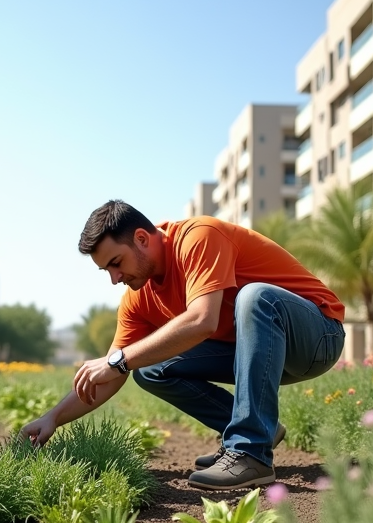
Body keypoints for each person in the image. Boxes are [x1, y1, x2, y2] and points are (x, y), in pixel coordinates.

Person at [21, 200, 345, 490]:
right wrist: (53, 417)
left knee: (255, 297)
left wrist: (118, 360)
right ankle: (261, 429)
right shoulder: (137, 298)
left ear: (142, 239)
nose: (114, 278)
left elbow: (201, 320)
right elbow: (113, 372)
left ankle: (251, 452)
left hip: (317, 338)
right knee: (147, 368)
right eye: (106, 270)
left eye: (116, 263)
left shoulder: (198, 237)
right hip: (261, 353)